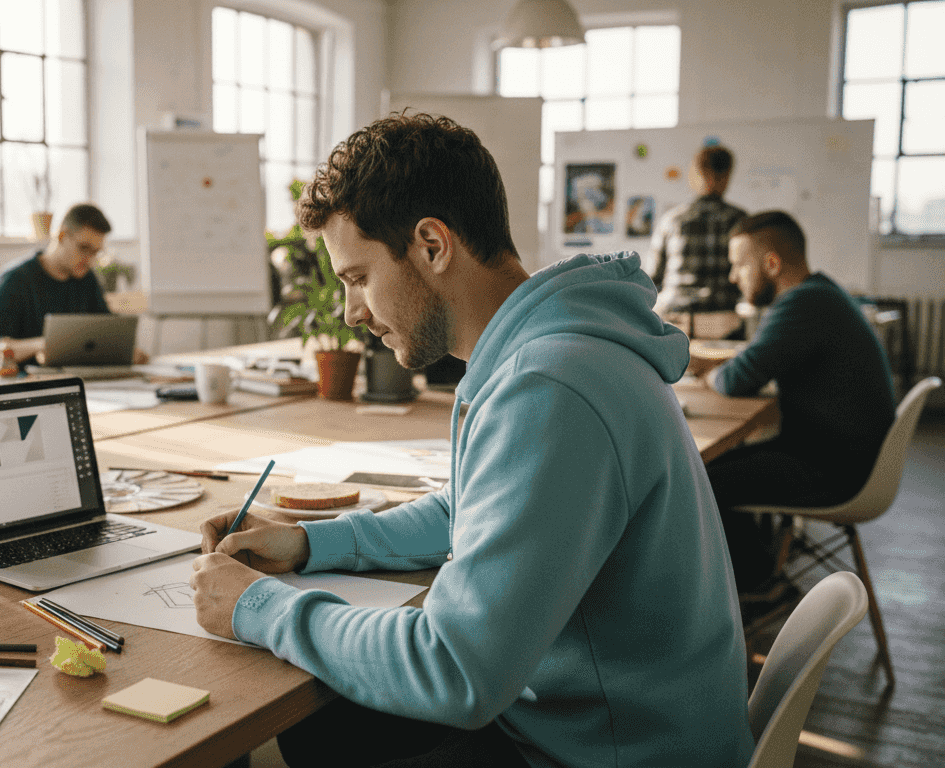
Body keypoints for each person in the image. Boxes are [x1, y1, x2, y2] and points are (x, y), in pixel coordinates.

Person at [188, 113, 753, 768]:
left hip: (609, 754)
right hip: (604, 726)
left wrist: (256, 608)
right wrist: (311, 542)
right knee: (325, 732)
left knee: (307, 735)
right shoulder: (550, 348)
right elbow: (469, 509)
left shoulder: (550, 385)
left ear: (432, 245)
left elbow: (455, 669)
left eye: (358, 277)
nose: (352, 312)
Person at [691, 211, 895, 594]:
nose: (734, 277)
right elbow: (760, 359)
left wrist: (706, 373)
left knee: (697, 481)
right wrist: (721, 364)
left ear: (771, 263)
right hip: (843, 455)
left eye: (739, 265)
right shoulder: (820, 294)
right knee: (707, 467)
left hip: (835, 471)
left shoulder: (802, 304)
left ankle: (760, 590)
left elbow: (738, 379)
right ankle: (761, 574)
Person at [0, 202, 117, 369]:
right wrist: (41, 345)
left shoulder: (87, 279)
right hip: (27, 384)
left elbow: (109, 331)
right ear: (62, 236)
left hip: (77, 381)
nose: (89, 259)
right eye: (84, 248)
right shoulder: (16, 279)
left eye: (95, 252)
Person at [651, 145, 747, 319]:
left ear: (696, 173)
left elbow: (653, 277)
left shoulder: (672, 220)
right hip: (722, 317)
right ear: (727, 176)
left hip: (674, 316)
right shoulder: (741, 221)